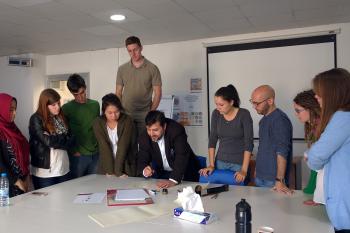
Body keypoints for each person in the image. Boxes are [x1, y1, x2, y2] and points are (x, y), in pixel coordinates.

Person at [306, 68, 350, 232]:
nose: (316, 97)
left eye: (319, 93)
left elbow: (317, 157)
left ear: (332, 93)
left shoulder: (342, 118)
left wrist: (309, 157)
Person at [199, 85, 253, 184]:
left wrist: (244, 170)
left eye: (221, 105)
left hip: (239, 163)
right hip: (220, 162)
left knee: (237, 194)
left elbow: (249, 144)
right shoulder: (216, 114)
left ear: (231, 102)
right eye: (216, 104)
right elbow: (212, 140)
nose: (218, 108)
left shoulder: (244, 114)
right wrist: (211, 165)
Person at [137, 110, 200, 188]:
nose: (151, 134)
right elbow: (142, 159)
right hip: (163, 174)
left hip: (185, 172)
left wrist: (173, 180)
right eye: (149, 129)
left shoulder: (176, 130)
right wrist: (145, 170)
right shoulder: (144, 137)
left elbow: (181, 156)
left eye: (155, 130)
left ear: (164, 126)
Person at [250, 85, 293, 194]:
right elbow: (262, 147)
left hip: (273, 181)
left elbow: (282, 152)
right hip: (261, 176)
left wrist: (279, 180)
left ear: (270, 100)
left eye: (257, 103)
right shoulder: (263, 121)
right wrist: (257, 169)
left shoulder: (280, 120)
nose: (254, 106)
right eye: (252, 102)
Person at [116, 36, 162, 136]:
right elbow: (118, 92)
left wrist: (151, 113)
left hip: (145, 114)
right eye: (130, 51)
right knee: (127, 145)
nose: (133, 54)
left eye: (135, 50)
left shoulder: (152, 68)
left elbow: (158, 94)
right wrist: (120, 111)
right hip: (126, 113)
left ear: (141, 48)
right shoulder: (122, 69)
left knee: (145, 145)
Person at [29, 89, 74, 189]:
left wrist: (53, 138)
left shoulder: (62, 117)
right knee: (46, 204)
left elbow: (72, 140)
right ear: (45, 105)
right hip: (45, 173)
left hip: (63, 168)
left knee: (64, 201)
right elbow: (48, 142)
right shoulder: (36, 119)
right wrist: (63, 138)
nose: (57, 107)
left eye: (58, 103)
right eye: (53, 105)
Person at [62, 74, 100, 179]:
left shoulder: (95, 105)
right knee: (76, 187)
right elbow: (64, 132)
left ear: (85, 87)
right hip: (78, 156)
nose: (80, 97)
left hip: (96, 154)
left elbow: (98, 128)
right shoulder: (66, 108)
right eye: (76, 94)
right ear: (71, 93)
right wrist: (73, 151)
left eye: (82, 92)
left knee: (94, 186)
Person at [93, 93, 137, 177]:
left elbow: (123, 146)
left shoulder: (127, 121)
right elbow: (104, 146)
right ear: (104, 111)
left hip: (125, 164)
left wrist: (118, 172)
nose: (114, 116)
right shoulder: (98, 123)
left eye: (117, 112)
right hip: (105, 165)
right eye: (110, 113)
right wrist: (110, 171)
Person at [293, 90, 324, 205]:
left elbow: (321, 162)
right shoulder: (311, 126)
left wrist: (315, 191)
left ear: (310, 108)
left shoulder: (323, 126)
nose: (296, 114)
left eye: (298, 111)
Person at [0, 93, 30, 197]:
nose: (14, 113)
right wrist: (16, 181)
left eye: (15, 109)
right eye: (11, 110)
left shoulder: (14, 129)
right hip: (6, 185)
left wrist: (26, 177)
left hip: (22, 182)